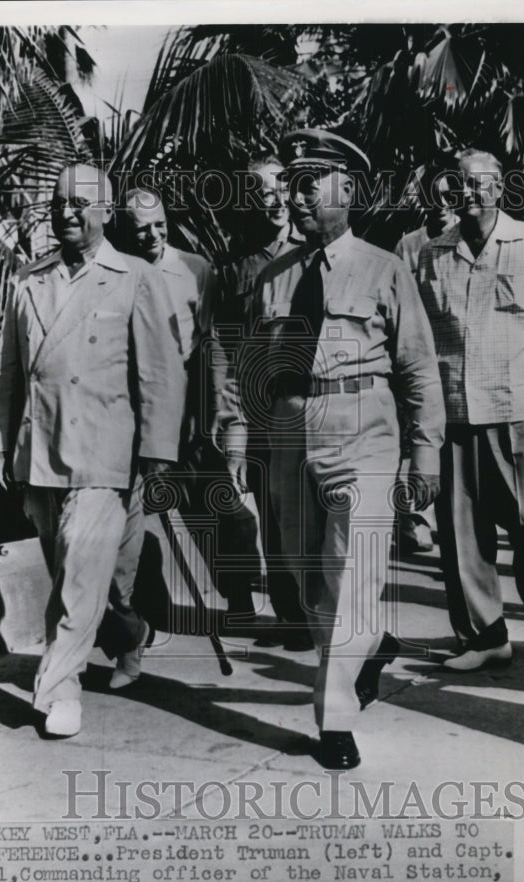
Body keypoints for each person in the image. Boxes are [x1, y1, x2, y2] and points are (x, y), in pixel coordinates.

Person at [241, 128, 445, 769]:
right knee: (306, 583)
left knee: (350, 579)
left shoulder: (385, 269)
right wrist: (238, 435)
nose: (295, 197)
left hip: (363, 431)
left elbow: (417, 366)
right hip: (289, 430)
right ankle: (372, 644)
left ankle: (333, 717)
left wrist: (427, 450)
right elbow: (247, 364)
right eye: (291, 186)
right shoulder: (273, 275)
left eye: (309, 185)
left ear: (347, 191)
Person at [0, 163, 185, 735]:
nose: (67, 212)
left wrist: (157, 451)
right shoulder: (28, 280)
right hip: (42, 450)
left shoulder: (132, 277)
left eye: (80, 202)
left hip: (105, 453)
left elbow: (160, 372)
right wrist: (4, 447)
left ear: (105, 212)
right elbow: (9, 376)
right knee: (74, 572)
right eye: (58, 202)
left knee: (79, 573)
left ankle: (58, 691)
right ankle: (131, 633)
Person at [417, 149, 524, 671]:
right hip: (454, 414)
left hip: (517, 411)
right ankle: (486, 636)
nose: (464, 193)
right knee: (461, 534)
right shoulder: (431, 254)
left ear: (498, 188)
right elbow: (420, 343)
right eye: (456, 185)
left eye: (475, 184)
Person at [103, 187, 217, 688]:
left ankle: (200, 611)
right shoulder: (114, 273)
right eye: (139, 228)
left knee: (204, 521)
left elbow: (209, 352)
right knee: (128, 538)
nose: (151, 235)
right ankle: (132, 638)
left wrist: (203, 420)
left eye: (158, 224)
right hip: (123, 417)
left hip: (183, 416)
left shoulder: (196, 269)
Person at [214, 159, 312, 651]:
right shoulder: (234, 267)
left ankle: (324, 613)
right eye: (259, 190)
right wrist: (233, 430)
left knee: (315, 512)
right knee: (274, 517)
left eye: (279, 187)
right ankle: (292, 616)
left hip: (314, 412)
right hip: (259, 416)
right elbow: (225, 354)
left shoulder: (316, 253)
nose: (271, 198)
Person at [393, 167, 460, 554]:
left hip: (453, 361)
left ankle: (447, 522)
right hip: (418, 358)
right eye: (436, 196)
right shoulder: (409, 245)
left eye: (452, 195)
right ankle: (412, 517)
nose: (444, 204)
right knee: (413, 442)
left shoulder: (463, 239)